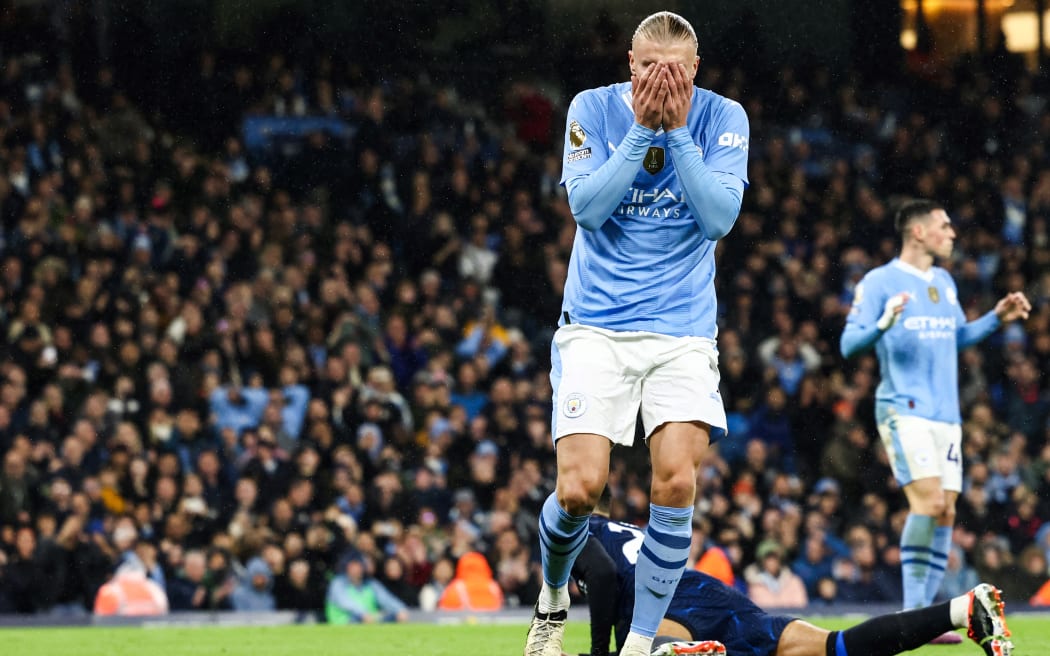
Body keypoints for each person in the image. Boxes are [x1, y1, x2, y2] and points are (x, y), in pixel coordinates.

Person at [526, 11, 749, 656]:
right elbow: (588, 209)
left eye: (672, 69)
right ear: (629, 62)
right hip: (597, 326)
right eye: (647, 66)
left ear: (694, 70)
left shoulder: (720, 117)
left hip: (681, 331)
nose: (658, 78)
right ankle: (552, 597)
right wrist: (640, 137)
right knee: (579, 489)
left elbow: (717, 219)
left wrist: (676, 134)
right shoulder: (592, 109)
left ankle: (642, 643)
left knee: (676, 481)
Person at [840, 199, 1030, 641]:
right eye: (945, 226)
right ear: (918, 232)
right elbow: (850, 345)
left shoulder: (944, 282)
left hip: (946, 415)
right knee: (926, 503)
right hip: (903, 408)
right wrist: (884, 323)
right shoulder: (880, 281)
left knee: (945, 511)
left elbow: (956, 337)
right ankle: (912, 617)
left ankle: (924, 617)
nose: (953, 234)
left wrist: (996, 319)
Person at [573, 510, 1014, 656]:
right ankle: (962, 610)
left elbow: (604, 576)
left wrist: (597, 652)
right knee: (837, 647)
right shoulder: (621, 529)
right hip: (710, 593)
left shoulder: (570, 530)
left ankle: (676, 652)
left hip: (668, 608)